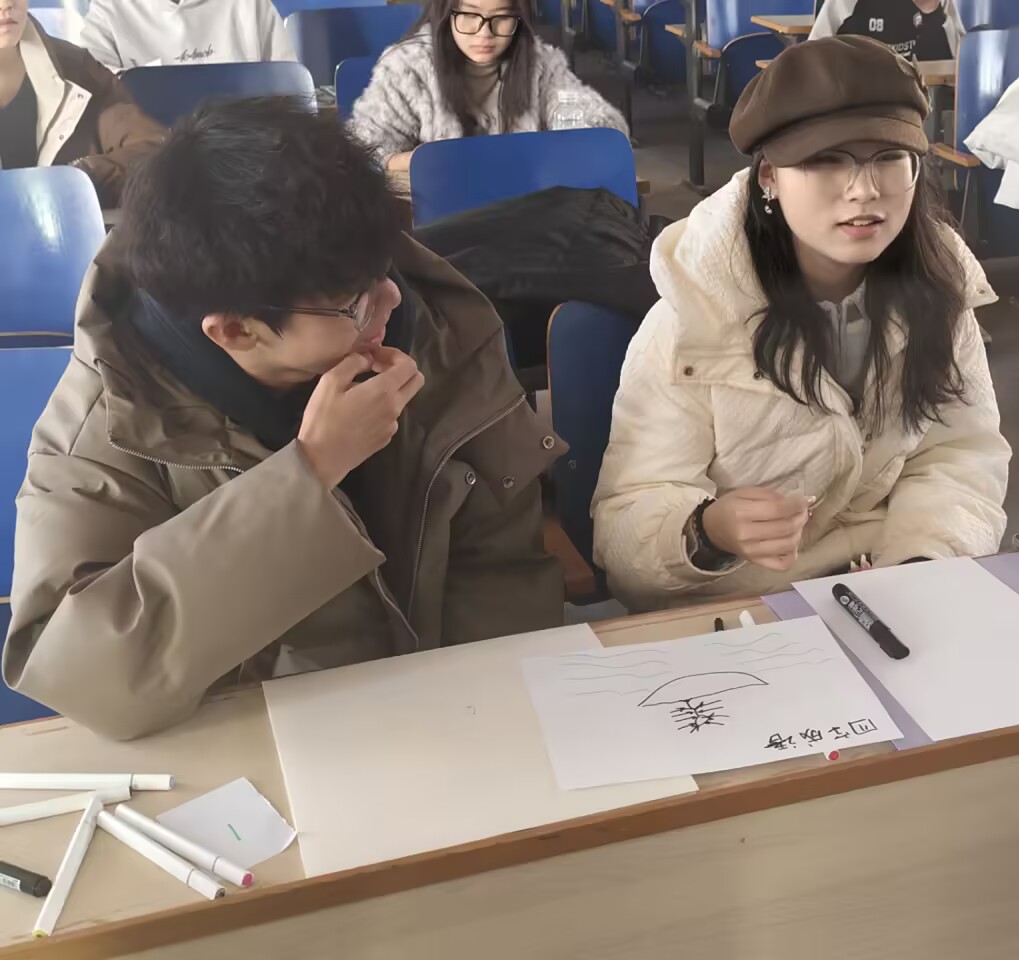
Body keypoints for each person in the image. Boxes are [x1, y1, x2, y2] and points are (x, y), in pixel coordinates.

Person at [3, 97, 567, 740]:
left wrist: (487, 723)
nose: (392, 299)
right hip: (275, 743)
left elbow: (501, 575)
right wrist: (308, 475)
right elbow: (82, 673)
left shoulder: (442, 331)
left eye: (384, 269)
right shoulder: (107, 426)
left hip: (459, 719)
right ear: (235, 331)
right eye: (354, 304)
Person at [591, 37, 1011, 612]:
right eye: (826, 159)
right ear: (769, 176)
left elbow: (959, 456)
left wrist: (922, 562)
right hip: (744, 605)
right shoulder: (691, 318)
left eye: (890, 157)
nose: (865, 189)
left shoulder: (939, 293)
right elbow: (624, 528)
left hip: (889, 588)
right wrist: (706, 532)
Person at [349, 0, 626, 172]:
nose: (485, 33)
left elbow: (597, 121)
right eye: (470, 15)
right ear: (447, 13)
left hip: (525, 212)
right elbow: (365, 150)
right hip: (439, 218)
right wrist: (424, 163)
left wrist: (578, 136)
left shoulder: (541, 64)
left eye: (501, 17)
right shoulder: (408, 67)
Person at [0, 0, 163, 204]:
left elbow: (155, 151)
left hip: (66, 223)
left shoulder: (79, 71)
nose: (7, 4)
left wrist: (79, 177)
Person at [80, 0, 295, 72]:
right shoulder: (107, 12)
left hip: (247, 152)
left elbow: (291, 93)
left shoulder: (251, 5)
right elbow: (95, 105)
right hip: (150, 157)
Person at [810, 0, 962, 61]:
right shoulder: (844, 3)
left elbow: (953, 71)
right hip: (853, 102)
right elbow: (810, 59)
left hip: (917, 105)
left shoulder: (941, 4)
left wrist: (930, 13)